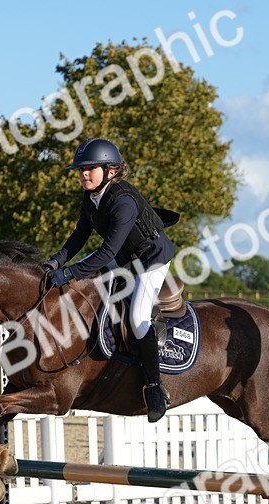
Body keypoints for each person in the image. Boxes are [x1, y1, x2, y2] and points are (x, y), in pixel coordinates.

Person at [41, 137, 176, 422]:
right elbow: (78, 236)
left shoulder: (123, 202)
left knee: (139, 317)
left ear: (111, 170)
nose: (84, 174)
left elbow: (105, 253)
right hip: (126, 255)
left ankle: (154, 387)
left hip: (151, 258)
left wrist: (69, 272)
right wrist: (56, 260)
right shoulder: (91, 200)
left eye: (90, 168)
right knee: (85, 292)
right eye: (81, 170)